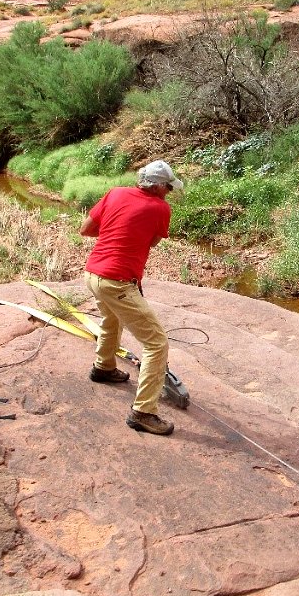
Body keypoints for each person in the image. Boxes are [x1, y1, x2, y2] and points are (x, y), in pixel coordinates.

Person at [79, 159, 183, 436]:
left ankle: (103, 367)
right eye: (168, 187)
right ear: (159, 186)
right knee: (156, 343)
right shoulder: (160, 208)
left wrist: (117, 227)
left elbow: (86, 229)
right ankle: (144, 412)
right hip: (117, 282)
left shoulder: (115, 193)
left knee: (111, 319)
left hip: (93, 275)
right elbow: (149, 241)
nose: (169, 192)